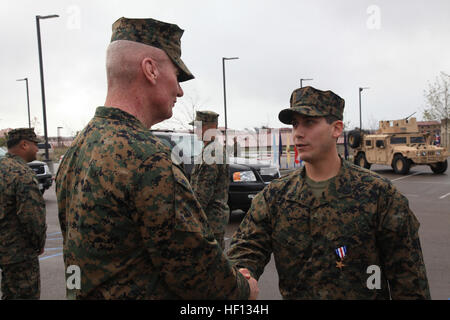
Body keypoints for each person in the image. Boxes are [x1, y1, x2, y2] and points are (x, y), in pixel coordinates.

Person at [55, 17, 257, 300]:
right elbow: (203, 279)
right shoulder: (147, 159)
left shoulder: (79, 147)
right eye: (177, 75)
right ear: (150, 70)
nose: (180, 90)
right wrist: (245, 289)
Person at [227, 86, 431, 299]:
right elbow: (245, 250)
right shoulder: (275, 197)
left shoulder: (380, 195)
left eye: (309, 122)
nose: (298, 133)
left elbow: (410, 282)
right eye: (295, 124)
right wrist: (242, 278)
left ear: (336, 129)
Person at [0, 128, 47, 299]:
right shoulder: (22, 174)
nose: (38, 149)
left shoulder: (2, 167)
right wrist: (39, 242)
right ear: (24, 144)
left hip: (4, 252)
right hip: (20, 253)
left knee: (9, 294)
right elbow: (32, 216)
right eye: (35, 145)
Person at [190, 111, 230, 249]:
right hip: (211, 219)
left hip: (209, 219)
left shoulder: (212, 151)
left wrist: (191, 217)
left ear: (207, 128)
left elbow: (204, 191)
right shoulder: (209, 149)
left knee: (212, 265)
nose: (195, 131)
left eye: (197, 127)